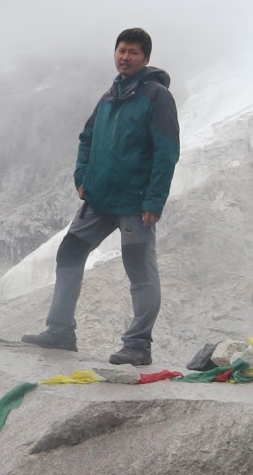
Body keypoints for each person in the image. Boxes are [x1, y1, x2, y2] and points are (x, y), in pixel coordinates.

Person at [23, 27, 179, 363]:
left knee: (139, 270)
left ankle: (138, 345)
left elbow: (167, 150)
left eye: (133, 52)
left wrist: (154, 199)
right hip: (99, 200)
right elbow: (87, 138)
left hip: (135, 203)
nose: (125, 57)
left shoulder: (156, 96)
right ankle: (60, 331)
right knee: (68, 254)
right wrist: (82, 177)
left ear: (146, 58)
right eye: (121, 50)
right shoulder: (110, 96)